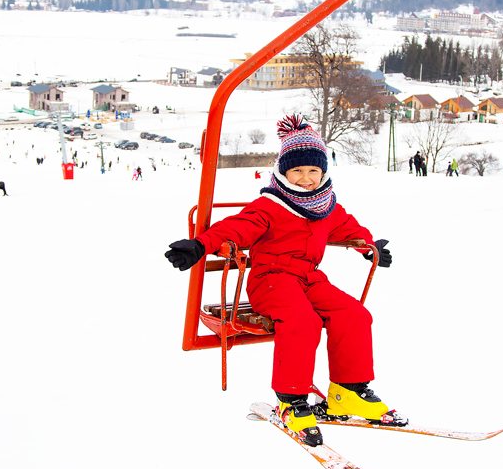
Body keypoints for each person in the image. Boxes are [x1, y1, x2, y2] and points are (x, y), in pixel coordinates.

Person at [163, 116, 396, 448]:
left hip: (310, 277)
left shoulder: (326, 206)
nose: (306, 178)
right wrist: (201, 245)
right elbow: (237, 227)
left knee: (354, 314)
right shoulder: (269, 206)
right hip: (270, 279)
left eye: (313, 171)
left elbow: (348, 227)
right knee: (304, 321)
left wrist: (368, 247)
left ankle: (350, 390)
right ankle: (292, 398)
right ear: (283, 173)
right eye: (297, 171)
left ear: (324, 172)